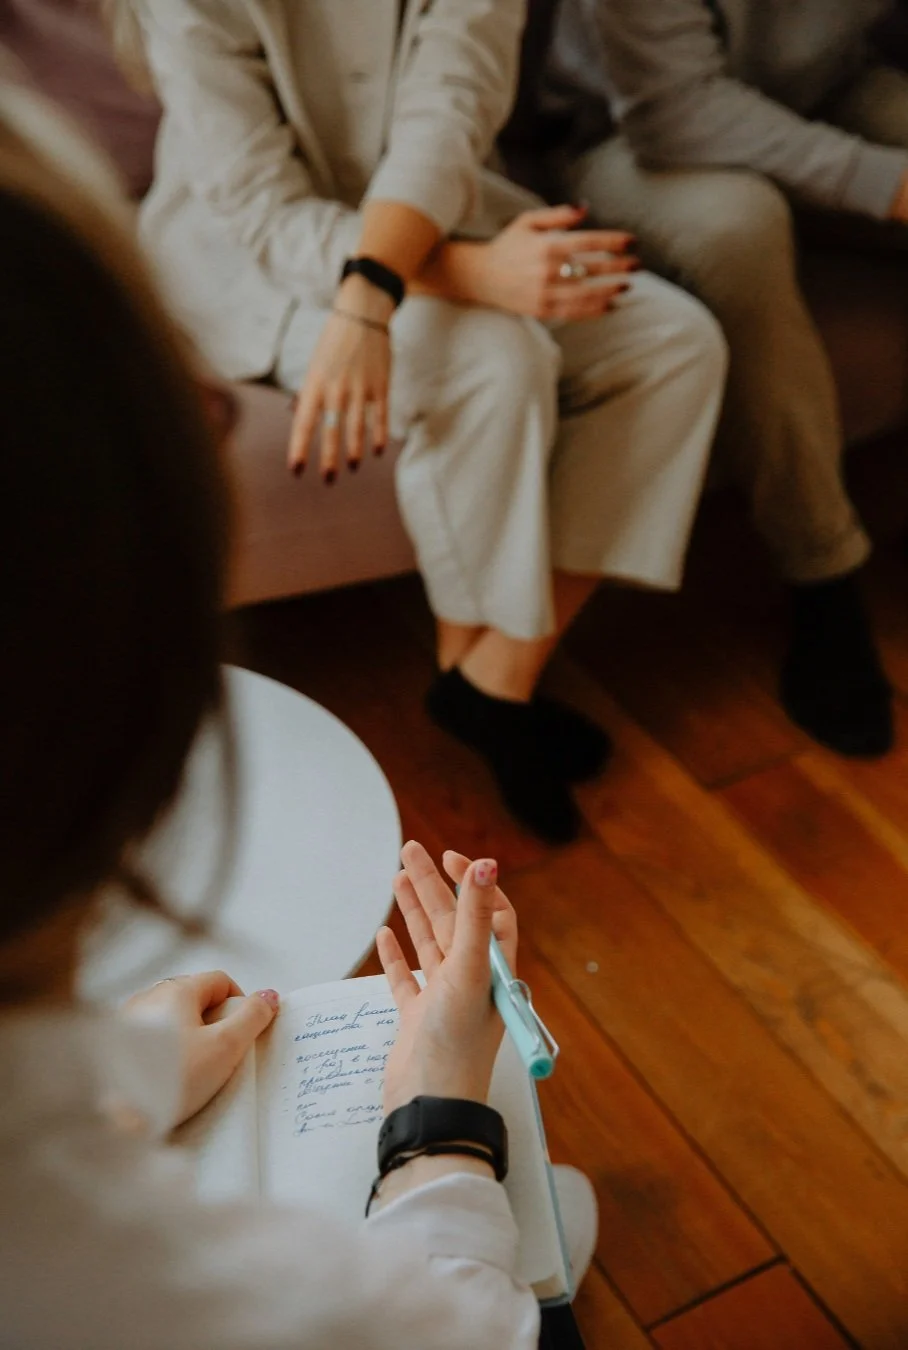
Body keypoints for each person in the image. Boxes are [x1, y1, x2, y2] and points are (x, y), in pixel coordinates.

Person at [0, 75, 600, 1349]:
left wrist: (120, 1087)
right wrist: (439, 1121)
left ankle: (487, 688)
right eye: (181, 398)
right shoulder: (236, 1306)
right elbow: (471, 1331)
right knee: (551, 1241)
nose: (217, 407)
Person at [105, 0, 728, 844]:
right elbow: (262, 207)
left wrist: (389, 288)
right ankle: (485, 698)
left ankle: (495, 683)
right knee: (495, 360)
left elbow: (451, 106)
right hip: (257, 260)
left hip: (439, 214)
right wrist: (455, 280)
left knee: (675, 344)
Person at [531, 0, 903, 759]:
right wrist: (888, 185)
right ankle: (822, 574)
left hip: (828, 86)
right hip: (626, 129)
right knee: (739, 229)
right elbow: (673, 111)